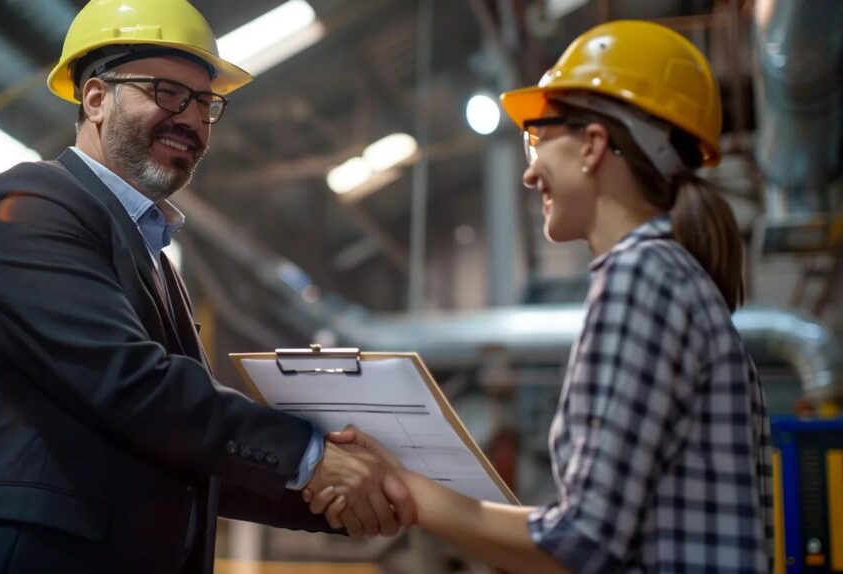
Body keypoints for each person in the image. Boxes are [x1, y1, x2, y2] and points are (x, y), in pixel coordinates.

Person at [0, 1, 413, 572]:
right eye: (167, 92)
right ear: (96, 99)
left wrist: (342, 501)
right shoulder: (30, 204)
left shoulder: (157, 264)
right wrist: (309, 454)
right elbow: (130, 385)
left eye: (205, 102)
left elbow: (180, 450)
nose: (193, 120)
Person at [307, 20, 773, 573]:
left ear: (593, 145)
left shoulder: (641, 277)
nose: (530, 173)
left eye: (538, 138)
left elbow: (579, 546)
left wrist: (400, 486)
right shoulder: (670, 276)